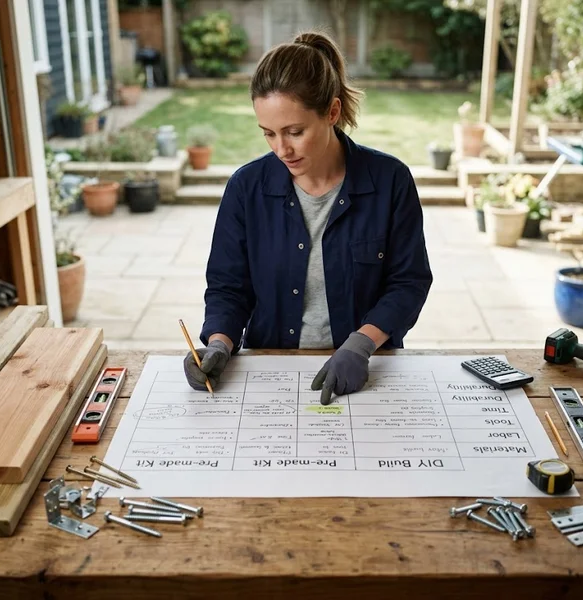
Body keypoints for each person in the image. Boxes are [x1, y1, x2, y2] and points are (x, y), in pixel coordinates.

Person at [183, 30, 432, 405]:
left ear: (332, 112)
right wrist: (219, 343)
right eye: (268, 134)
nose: (281, 149)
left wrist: (361, 345)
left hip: (366, 372)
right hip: (269, 370)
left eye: (295, 132)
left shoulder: (389, 181)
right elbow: (229, 287)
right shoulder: (246, 188)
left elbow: (408, 282)